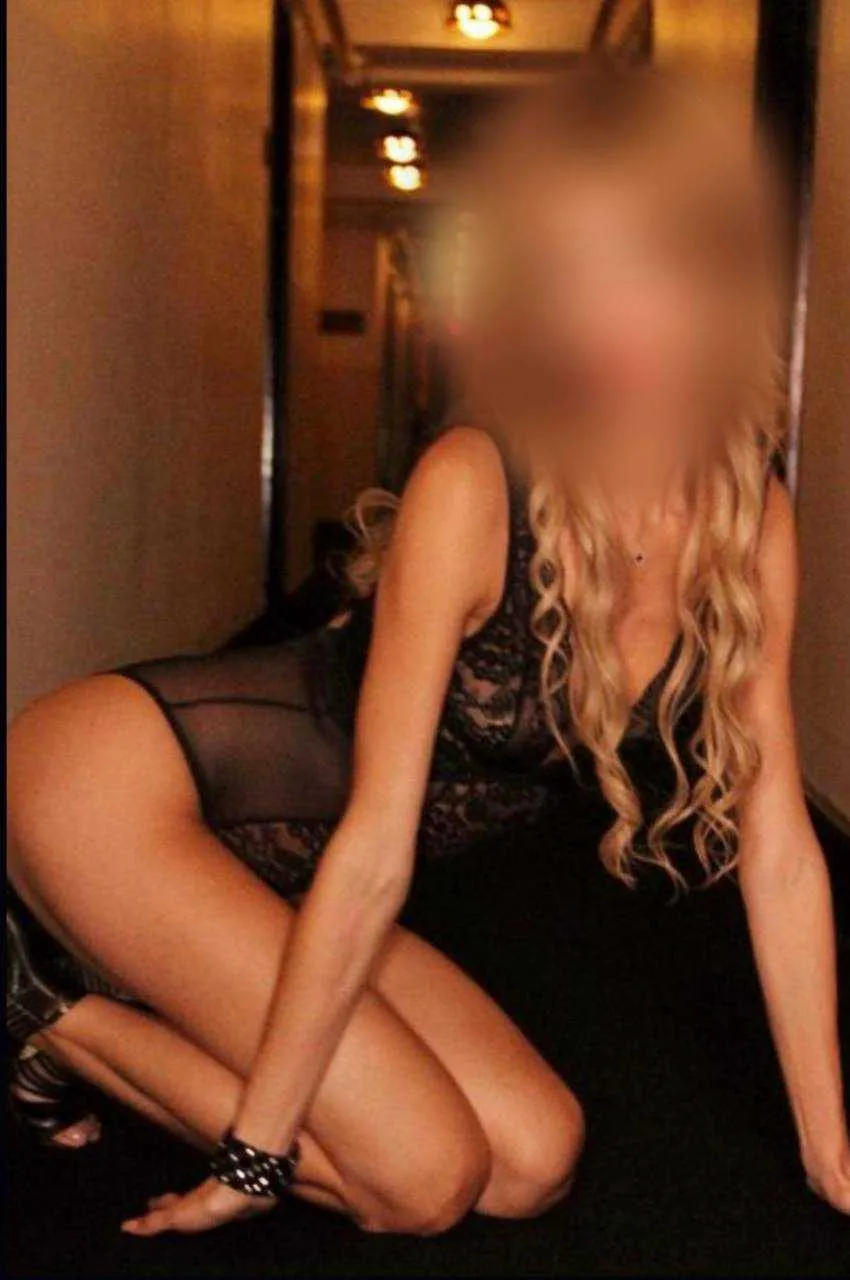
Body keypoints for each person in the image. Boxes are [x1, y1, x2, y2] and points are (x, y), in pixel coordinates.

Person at [7, 66, 849, 1236]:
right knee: (418, 1178)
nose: (605, 316)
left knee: (531, 1159)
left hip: (300, 865)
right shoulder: (478, 480)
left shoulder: (745, 513)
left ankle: (88, 1012)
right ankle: (38, 1000)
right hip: (122, 789)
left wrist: (829, 1147)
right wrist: (252, 1155)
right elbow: (373, 851)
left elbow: (781, 850)